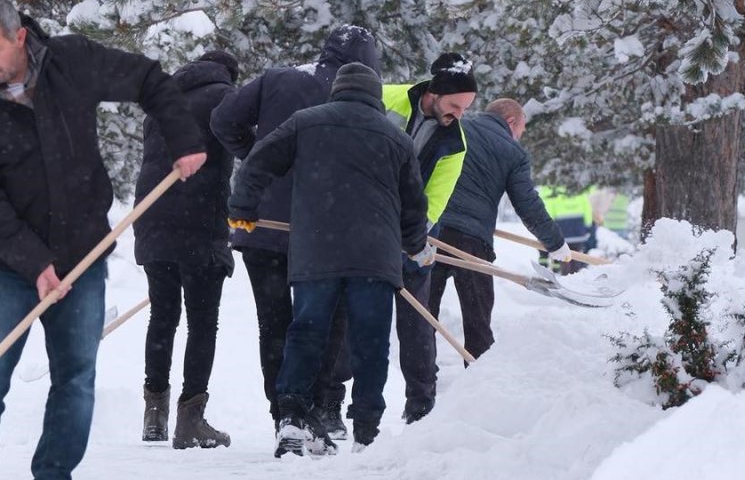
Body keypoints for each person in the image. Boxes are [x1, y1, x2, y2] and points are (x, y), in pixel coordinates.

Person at [0, 0, 206, 480]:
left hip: (83, 254)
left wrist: (184, 138)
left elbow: (149, 78)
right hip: (4, 264)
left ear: (19, 38)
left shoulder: (72, 62)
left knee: (75, 377)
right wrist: (33, 262)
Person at [227, 62, 429, 456]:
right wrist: (413, 243)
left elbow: (258, 161)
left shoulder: (305, 122)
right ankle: (367, 431)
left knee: (306, 333)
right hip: (375, 257)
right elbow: (414, 207)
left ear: (337, 90)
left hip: (317, 250)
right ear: (375, 96)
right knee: (370, 342)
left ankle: (291, 418)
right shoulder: (397, 138)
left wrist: (243, 207)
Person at [210, 24, 381, 440]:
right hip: (323, 230)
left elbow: (223, 119)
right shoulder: (355, 98)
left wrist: (258, 155)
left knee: (274, 323)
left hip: (262, 223)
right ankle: (320, 407)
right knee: (324, 321)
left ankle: (284, 414)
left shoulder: (278, 78)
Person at [133, 50, 239, 449]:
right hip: (200, 222)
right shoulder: (227, 98)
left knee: (162, 317)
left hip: (152, 219)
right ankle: (190, 420)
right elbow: (245, 147)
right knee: (201, 322)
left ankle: (154, 416)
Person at [428, 98, 572, 360]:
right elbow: (527, 204)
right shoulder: (512, 152)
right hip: (472, 241)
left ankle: (420, 393)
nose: (520, 137)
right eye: (522, 130)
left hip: (431, 231)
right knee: (478, 322)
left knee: (423, 316)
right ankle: (481, 383)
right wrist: (555, 243)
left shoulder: (457, 128)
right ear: (511, 122)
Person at [381, 51, 479, 428]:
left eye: (467, 107)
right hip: (361, 219)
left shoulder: (456, 143)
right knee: (354, 310)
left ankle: (421, 402)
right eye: (455, 104)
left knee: (417, 316)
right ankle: (335, 400)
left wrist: (411, 236)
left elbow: (434, 203)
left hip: (413, 231)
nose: (460, 114)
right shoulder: (385, 97)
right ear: (434, 92)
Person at [537, 185, 597, 275]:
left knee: (564, 256)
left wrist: (550, 230)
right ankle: (576, 277)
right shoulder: (579, 191)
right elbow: (587, 209)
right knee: (576, 255)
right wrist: (588, 226)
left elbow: (550, 212)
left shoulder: (555, 193)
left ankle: (567, 278)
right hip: (578, 231)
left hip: (563, 231)